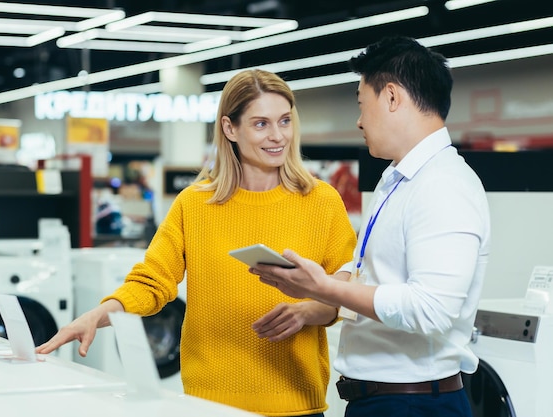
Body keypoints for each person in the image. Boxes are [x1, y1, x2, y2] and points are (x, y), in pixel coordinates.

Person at [37, 68, 357, 417]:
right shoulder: (195, 204)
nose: (277, 135)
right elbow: (153, 280)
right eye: (261, 124)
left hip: (296, 404)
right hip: (208, 403)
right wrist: (98, 315)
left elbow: (347, 289)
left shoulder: (321, 201)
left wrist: (308, 311)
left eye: (284, 121)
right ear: (229, 128)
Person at [251, 36, 491, 417]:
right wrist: (316, 299)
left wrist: (324, 286)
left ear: (392, 97)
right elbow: (371, 273)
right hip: (384, 401)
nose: (360, 120)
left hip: (414, 403)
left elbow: (431, 309)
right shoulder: (397, 179)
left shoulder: (443, 185)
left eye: (363, 105)